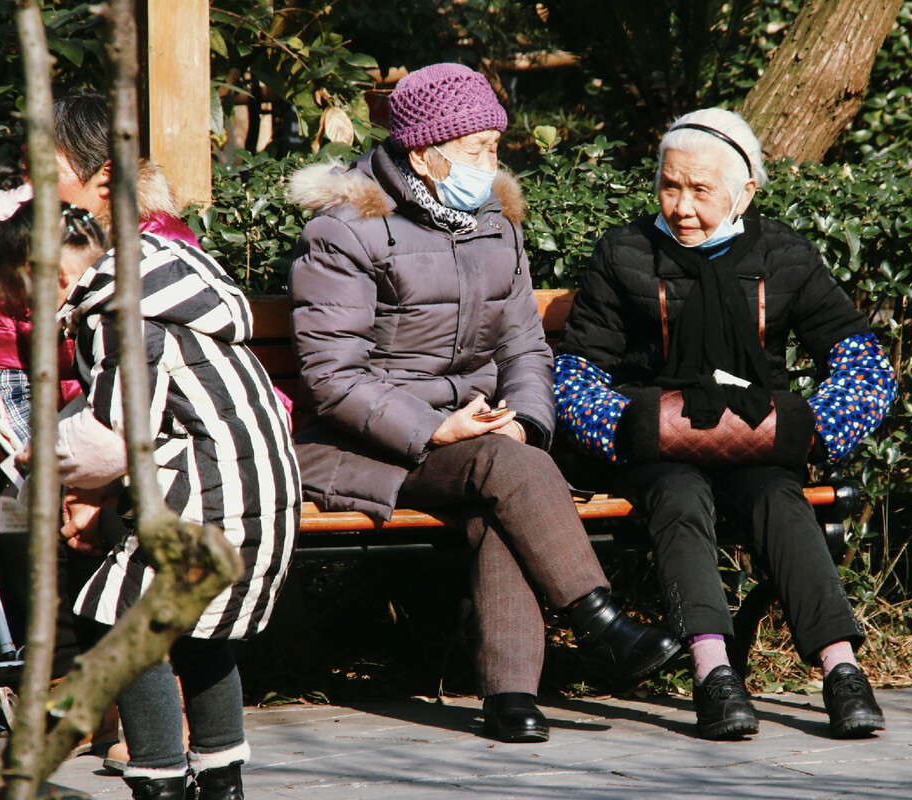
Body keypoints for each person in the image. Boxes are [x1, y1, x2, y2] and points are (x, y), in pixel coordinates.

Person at [287, 62, 679, 744]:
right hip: (367, 443)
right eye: (478, 148)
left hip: (479, 438)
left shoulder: (494, 222)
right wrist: (436, 428)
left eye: (496, 146)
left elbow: (526, 346)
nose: (492, 163)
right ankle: (597, 623)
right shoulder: (346, 231)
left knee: (504, 484)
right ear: (424, 155)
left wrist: (523, 419)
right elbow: (333, 378)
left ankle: (513, 697)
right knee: (505, 471)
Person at [553, 108, 897, 740]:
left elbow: (861, 359)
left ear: (745, 193)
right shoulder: (624, 251)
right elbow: (576, 371)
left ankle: (842, 670)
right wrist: (628, 426)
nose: (682, 207)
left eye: (701, 191)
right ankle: (714, 674)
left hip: (753, 440)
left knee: (780, 500)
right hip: (658, 447)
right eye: (670, 186)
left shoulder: (784, 254)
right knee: (679, 498)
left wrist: (814, 427)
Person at [0, 166, 301, 800]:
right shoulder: (160, 288)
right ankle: (221, 777)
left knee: (122, 624)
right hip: (259, 488)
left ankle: (159, 778)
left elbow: (112, 435)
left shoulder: (117, 317)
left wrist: (40, 461)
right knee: (197, 631)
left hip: (208, 494)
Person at [0, 91, 199, 445]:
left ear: (106, 176)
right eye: (26, 170)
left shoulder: (157, 247)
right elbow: (7, 372)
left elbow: (176, 377)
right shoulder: (18, 249)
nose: (28, 187)